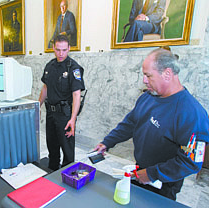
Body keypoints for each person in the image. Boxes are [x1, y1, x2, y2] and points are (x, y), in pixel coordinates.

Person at [94, 48, 209, 200]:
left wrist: (151, 174)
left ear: (167, 73)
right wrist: (107, 142)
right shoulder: (147, 97)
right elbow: (130, 123)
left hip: (163, 183)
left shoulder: (192, 114)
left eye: (148, 75)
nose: (144, 80)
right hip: (140, 171)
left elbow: (190, 162)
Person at [39, 35, 85, 171]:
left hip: (65, 115)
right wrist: (38, 105)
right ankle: (52, 174)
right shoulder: (50, 66)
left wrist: (73, 119)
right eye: (58, 49)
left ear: (69, 48)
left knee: (67, 151)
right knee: (52, 147)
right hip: (51, 113)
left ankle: (68, 176)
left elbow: (76, 95)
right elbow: (45, 87)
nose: (61, 53)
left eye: (64, 50)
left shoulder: (73, 68)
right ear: (53, 47)